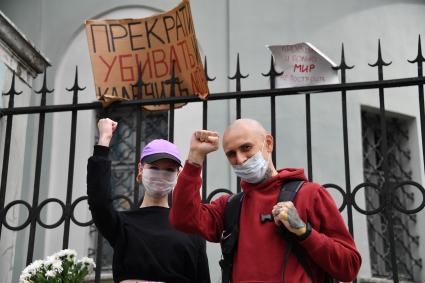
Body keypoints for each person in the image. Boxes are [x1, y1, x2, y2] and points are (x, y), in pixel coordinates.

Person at [170, 118, 362, 283]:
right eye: (231, 154)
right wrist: (195, 157)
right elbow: (182, 218)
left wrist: (304, 232)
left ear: (268, 143)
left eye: (246, 148)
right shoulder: (230, 206)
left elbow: (349, 266)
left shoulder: (310, 194)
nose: (241, 159)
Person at [86, 118, 211, 283]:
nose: (161, 175)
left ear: (178, 175)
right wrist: (104, 140)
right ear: (141, 170)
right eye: (154, 168)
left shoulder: (191, 230)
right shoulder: (123, 224)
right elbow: (99, 202)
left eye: (169, 170)